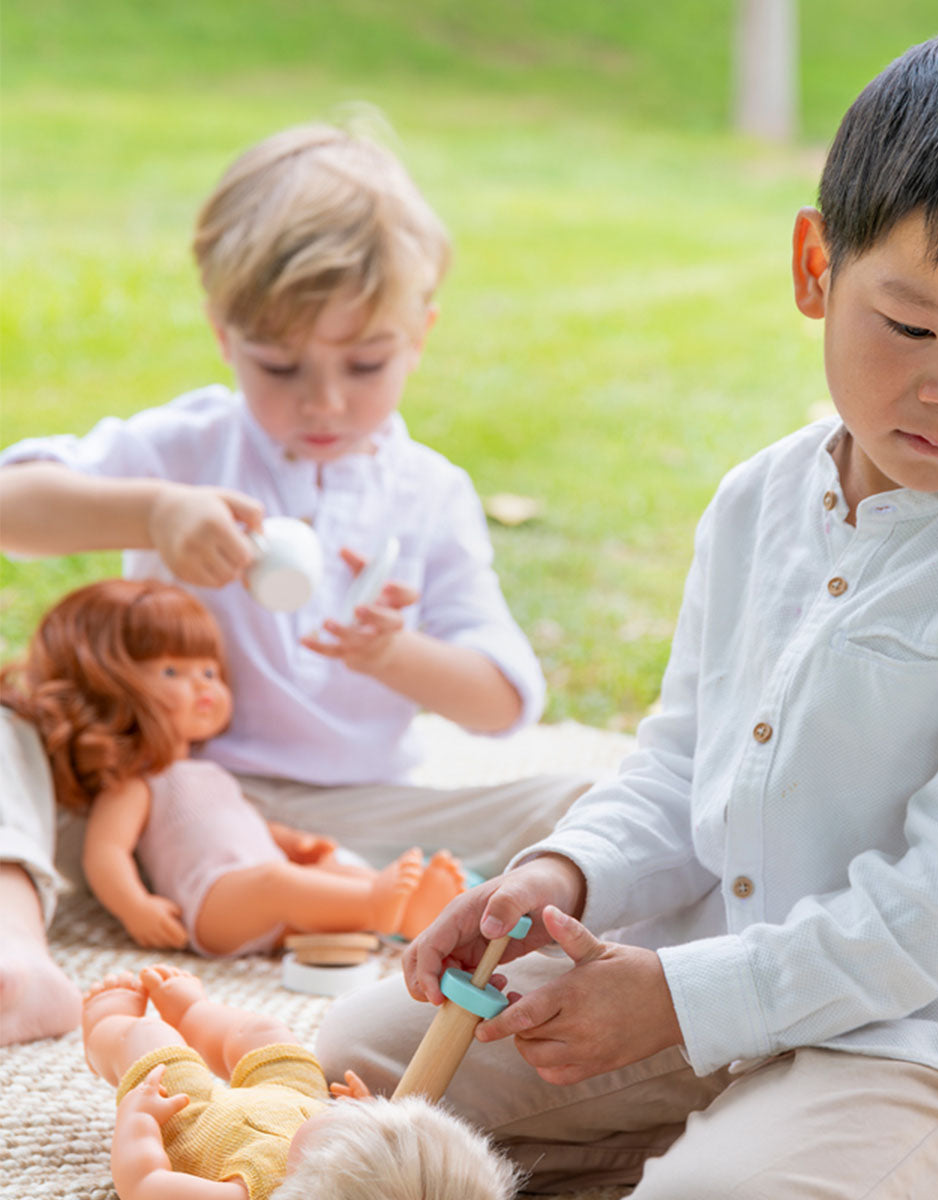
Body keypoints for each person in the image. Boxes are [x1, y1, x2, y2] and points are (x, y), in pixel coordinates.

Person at [315, 33, 938, 1200]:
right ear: (816, 265)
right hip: (713, 971)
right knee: (363, 1062)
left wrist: (671, 1003)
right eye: (913, 328)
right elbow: (681, 762)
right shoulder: (758, 502)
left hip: (933, 1034)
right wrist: (565, 875)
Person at [0, 115, 591, 1041]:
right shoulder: (188, 447)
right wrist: (150, 512)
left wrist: (393, 654)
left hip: (350, 814)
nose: (322, 400)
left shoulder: (430, 493)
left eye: (364, 364)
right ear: (224, 334)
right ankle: (15, 952)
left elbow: (501, 701)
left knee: (584, 806)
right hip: (159, 790)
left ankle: (347, 900)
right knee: (7, 726)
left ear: (421, 334)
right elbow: (11, 506)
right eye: (279, 365)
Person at [1, 578, 467, 956]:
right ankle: (380, 904)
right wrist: (135, 907)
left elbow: (238, 821)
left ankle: (412, 913)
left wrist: (290, 841)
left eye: (209, 672)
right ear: (108, 688)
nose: (203, 686)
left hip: (257, 886)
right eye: (171, 672)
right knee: (279, 884)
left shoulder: (208, 771)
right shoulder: (134, 783)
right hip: (211, 903)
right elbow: (105, 854)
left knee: (328, 871)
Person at [81, 963, 520, 1199]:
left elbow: (144, 1186)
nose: (360, 1112)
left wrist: (136, 1124)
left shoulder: (244, 1194)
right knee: (268, 1038)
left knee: (148, 1041)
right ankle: (195, 1013)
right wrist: (369, 1113)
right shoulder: (341, 1159)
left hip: (193, 1116)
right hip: (291, 1099)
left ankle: (103, 1027)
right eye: (380, 1116)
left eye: (357, 1121)